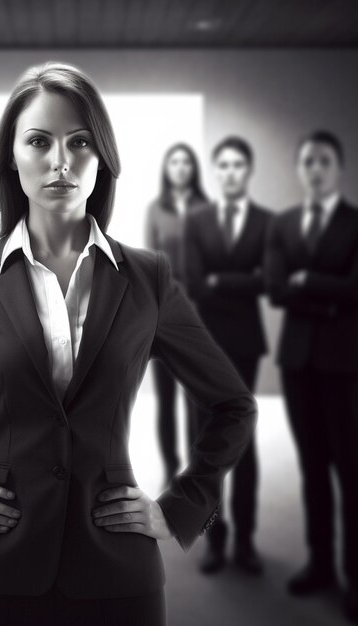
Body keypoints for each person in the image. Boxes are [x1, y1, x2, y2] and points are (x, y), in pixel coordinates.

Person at [0, 62, 257, 626]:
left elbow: (233, 406)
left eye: (81, 142)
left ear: (103, 158)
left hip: (119, 571)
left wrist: (184, 510)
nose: (61, 162)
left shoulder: (149, 277)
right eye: (39, 141)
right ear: (10, 158)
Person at [264, 130, 358, 624]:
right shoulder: (283, 225)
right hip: (297, 363)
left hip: (344, 364)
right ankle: (322, 566)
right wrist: (325, 293)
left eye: (324, 160)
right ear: (300, 168)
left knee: (352, 472)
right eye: (307, 161)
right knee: (312, 471)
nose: (315, 168)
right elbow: (277, 291)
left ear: (338, 167)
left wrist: (311, 283)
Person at [184, 136, 271, 577]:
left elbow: (269, 284)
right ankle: (214, 537)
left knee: (245, 445)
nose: (231, 172)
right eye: (224, 165)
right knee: (208, 446)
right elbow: (197, 284)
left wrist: (223, 281)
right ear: (215, 171)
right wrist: (241, 279)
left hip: (245, 346)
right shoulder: (196, 220)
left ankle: (246, 543)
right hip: (207, 348)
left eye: (239, 164)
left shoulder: (265, 222)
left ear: (248, 170)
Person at [145, 143, 208, 485]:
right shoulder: (156, 210)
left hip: (201, 317)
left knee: (196, 399)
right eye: (174, 162)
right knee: (166, 397)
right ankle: (170, 467)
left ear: (193, 168)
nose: (180, 168)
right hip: (165, 315)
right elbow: (151, 265)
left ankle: (194, 468)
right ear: (167, 169)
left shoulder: (207, 208)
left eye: (186, 162)